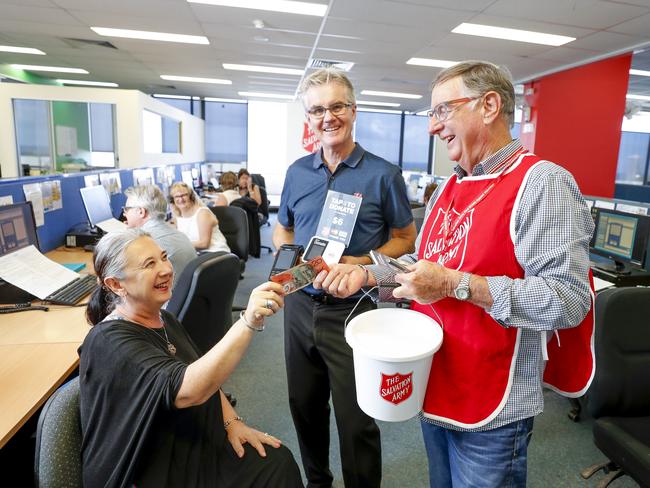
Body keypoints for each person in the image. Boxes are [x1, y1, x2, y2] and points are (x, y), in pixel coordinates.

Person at [314, 61, 595, 487]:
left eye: (443, 111)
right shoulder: (450, 187)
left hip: (493, 407)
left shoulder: (542, 184)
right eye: (432, 114)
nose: (433, 127)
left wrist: (454, 284)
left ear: (489, 106)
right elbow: (422, 268)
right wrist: (369, 277)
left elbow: (568, 300)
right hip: (438, 382)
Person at [273, 67, 417, 488]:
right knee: (304, 405)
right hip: (300, 304)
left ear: (353, 111)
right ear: (309, 118)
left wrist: (360, 263)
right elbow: (282, 225)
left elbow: (405, 237)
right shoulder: (297, 172)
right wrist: (288, 259)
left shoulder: (382, 174)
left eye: (337, 106)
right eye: (317, 110)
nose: (327, 117)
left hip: (354, 312)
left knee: (356, 421)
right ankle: (318, 482)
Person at [80, 228, 303, 488]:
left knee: (277, 462)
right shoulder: (111, 342)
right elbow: (189, 389)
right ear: (116, 285)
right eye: (149, 264)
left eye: (163, 257)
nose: (165, 269)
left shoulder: (163, 318)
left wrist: (232, 422)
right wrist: (248, 321)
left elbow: (203, 376)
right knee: (273, 472)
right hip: (151, 467)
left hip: (185, 438)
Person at [122, 184, 196, 287]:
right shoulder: (178, 234)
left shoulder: (143, 243)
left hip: (165, 300)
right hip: (186, 298)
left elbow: (126, 280)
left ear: (141, 212)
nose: (124, 214)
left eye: (126, 209)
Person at [168, 182, 230, 253]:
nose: (181, 199)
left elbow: (204, 244)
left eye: (184, 195)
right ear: (173, 200)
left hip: (215, 253)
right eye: (177, 196)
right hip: (197, 255)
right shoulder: (177, 218)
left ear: (191, 197)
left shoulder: (202, 213)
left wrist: (181, 245)